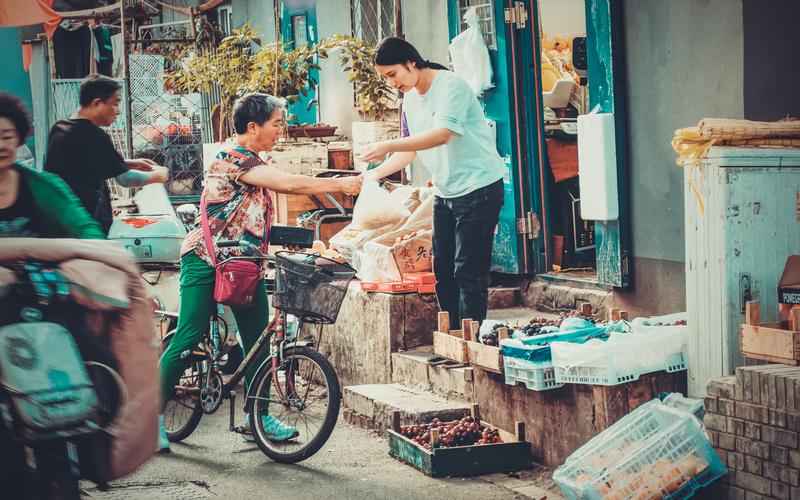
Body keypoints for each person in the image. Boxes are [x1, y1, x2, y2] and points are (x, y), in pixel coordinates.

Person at [158, 93, 362, 452]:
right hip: (205, 260)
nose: (281, 130)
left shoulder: (254, 162)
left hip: (244, 265)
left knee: (258, 342)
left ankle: (259, 418)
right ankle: (151, 418)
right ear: (252, 127)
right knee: (188, 336)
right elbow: (291, 184)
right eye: (277, 123)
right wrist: (341, 185)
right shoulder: (231, 159)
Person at [360, 37, 506, 330]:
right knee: (443, 270)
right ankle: (451, 334)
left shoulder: (450, 86)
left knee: (468, 270)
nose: (392, 83)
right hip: (445, 190)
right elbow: (411, 152)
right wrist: (373, 175)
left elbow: (443, 134)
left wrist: (388, 143)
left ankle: (471, 338)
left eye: (393, 74)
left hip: (479, 188)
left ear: (411, 62)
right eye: (385, 78)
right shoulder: (411, 99)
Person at [45, 75, 169, 234]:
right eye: (115, 103)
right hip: (85, 221)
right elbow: (126, 179)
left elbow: (84, 164)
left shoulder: (60, 128)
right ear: (97, 103)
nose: (117, 111)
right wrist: (160, 176)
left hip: (60, 218)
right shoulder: (95, 136)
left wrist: (129, 163)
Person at [0, 92, 104, 239]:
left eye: (7, 137)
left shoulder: (43, 186)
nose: (1, 145)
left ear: (19, 138)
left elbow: (85, 228)